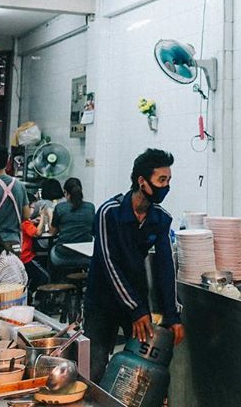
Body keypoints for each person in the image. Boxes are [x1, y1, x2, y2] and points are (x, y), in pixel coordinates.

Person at [84, 149, 184, 384]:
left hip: (137, 304)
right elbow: (109, 264)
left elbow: (165, 268)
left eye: (168, 180)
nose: (166, 186)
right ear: (142, 181)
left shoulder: (160, 218)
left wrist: (172, 315)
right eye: (161, 180)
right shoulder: (109, 212)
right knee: (93, 367)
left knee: (137, 373)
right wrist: (136, 309)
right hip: (103, 301)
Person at [50, 177, 95, 277]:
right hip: (85, 255)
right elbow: (93, 230)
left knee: (52, 251)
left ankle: (57, 281)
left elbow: (52, 232)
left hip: (63, 256)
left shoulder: (60, 208)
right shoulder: (90, 207)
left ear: (65, 193)